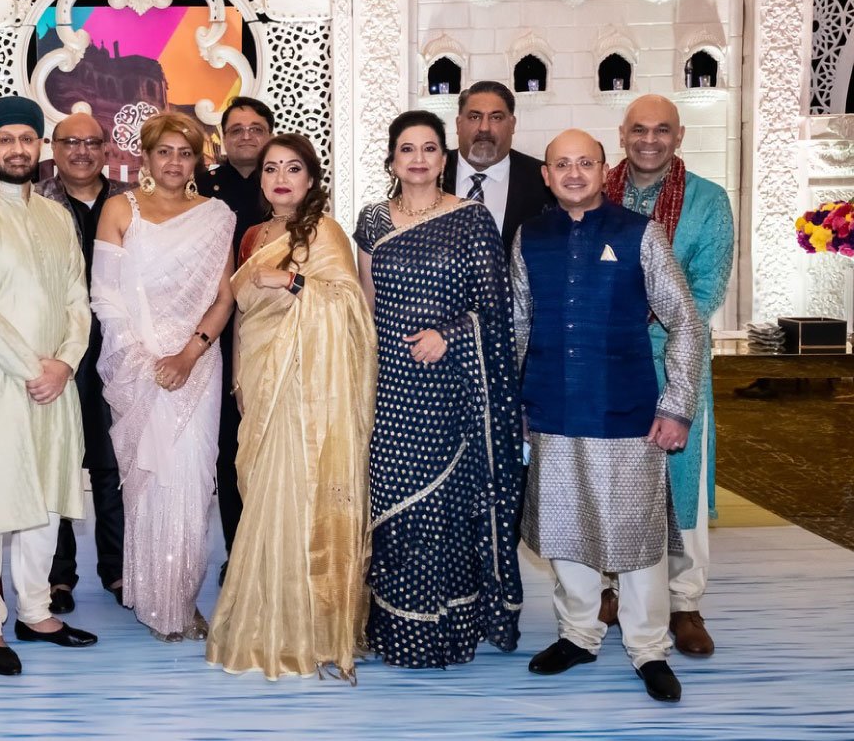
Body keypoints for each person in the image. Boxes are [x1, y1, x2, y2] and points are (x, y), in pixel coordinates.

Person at [515, 128, 704, 703]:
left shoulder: (639, 233)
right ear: (545, 175)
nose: (574, 173)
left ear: (604, 170)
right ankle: (578, 635)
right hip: (551, 407)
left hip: (626, 411)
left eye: (585, 164)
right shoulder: (531, 236)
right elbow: (520, 323)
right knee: (565, 528)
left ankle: (648, 649)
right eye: (561, 165)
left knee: (636, 535)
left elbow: (686, 321)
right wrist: (515, 404)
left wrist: (677, 406)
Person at [353, 110, 525, 669]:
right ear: (392, 159)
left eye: (430, 148)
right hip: (391, 387)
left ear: (443, 157)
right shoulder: (372, 222)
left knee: (443, 503)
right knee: (392, 503)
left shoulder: (471, 220)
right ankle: (398, 624)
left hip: (450, 387)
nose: (420, 158)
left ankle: (445, 625)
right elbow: (365, 308)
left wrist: (450, 334)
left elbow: (496, 311)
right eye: (408, 149)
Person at [206, 133, 376, 681]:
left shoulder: (324, 231)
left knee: (304, 496)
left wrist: (294, 279)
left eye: (293, 168)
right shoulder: (253, 233)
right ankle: (264, 618)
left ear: (311, 180)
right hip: (259, 378)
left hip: (308, 393)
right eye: (271, 169)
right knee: (259, 494)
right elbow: (240, 312)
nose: (281, 178)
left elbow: (350, 306)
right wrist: (239, 378)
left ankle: (314, 628)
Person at [0, 95, 98, 676]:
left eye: (26, 139)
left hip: (57, 382)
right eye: (4, 139)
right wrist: (34, 369)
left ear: (40, 147)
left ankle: (35, 611)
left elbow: (78, 301)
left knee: (47, 497)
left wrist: (65, 364)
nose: (16, 149)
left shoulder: (56, 216)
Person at [93, 111, 236, 642]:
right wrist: (143, 359)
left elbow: (224, 297)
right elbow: (105, 297)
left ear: (197, 159)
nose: (175, 162)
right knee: (148, 482)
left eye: (185, 153)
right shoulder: (119, 210)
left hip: (196, 364)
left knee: (193, 482)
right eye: (164, 152)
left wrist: (188, 355)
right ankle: (156, 601)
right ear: (145, 158)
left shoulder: (216, 215)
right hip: (138, 365)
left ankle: (181, 598)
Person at [599, 95, 734, 657]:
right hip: (607, 364)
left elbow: (704, 295)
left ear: (678, 137)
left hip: (674, 357)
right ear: (622, 134)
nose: (648, 140)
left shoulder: (708, 201)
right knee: (604, 480)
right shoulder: (593, 192)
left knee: (681, 483)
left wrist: (646, 325)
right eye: (638, 130)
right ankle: (608, 590)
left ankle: (685, 602)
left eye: (661, 130)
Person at [35, 112, 133, 612]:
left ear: (107, 149)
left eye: (91, 142)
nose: (80, 151)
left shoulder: (130, 203)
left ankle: (118, 570)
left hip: (118, 352)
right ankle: (58, 576)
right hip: (56, 352)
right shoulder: (33, 203)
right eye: (69, 142)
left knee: (113, 464)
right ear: (53, 148)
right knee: (59, 464)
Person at [195, 96, 275, 583]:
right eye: (237, 128)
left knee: (274, 446)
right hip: (219, 335)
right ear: (223, 137)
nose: (246, 135)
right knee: (228, 450)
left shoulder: (285, 183)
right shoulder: (202, 187)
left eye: (256, 127)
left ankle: (275, 550)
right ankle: (238, 553)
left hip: (277, 334)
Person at [442, 80, 553, 250]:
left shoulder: (542, 180)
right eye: (474, 117)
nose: (484, 127)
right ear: (458, 124)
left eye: (496, 117)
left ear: (512, 124)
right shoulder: (431, 174)